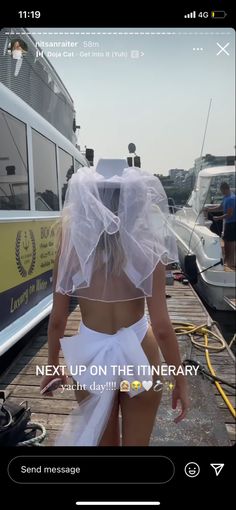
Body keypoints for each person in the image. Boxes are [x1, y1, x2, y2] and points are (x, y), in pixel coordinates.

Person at [40, 159, 189, 446]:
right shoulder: (147, 247)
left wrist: (52, 364)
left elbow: (58, 319)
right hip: (140, 357)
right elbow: (161, 327)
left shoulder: (71, 246)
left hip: (92, 359)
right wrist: (179, 378)